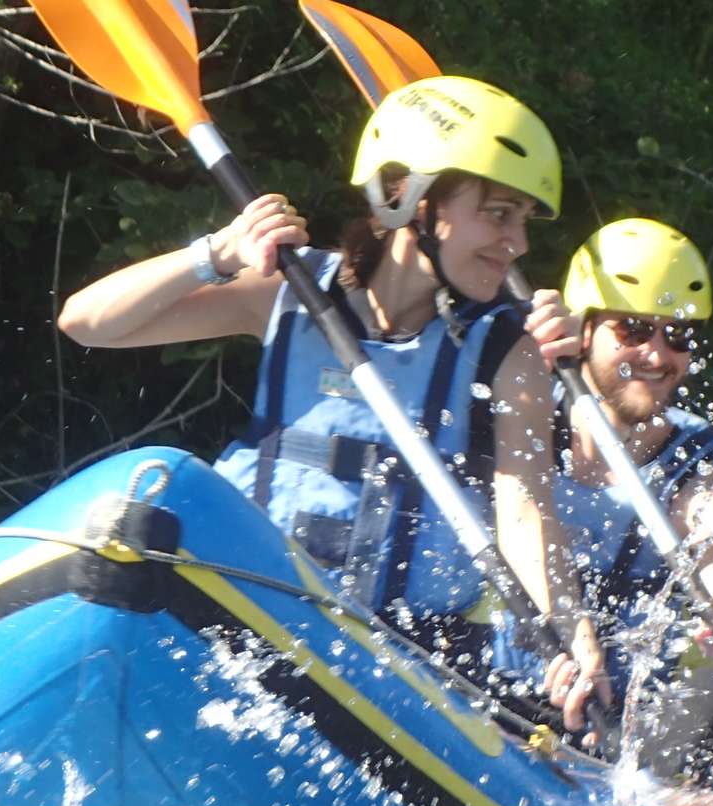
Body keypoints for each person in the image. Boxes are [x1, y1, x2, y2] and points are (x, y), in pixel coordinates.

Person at [55, 76, 610, 726]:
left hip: (391, 653)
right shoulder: (291, 289)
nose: (518, 243)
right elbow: (88, 323)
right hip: (243, 607)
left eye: (522, 219)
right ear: (412, 200)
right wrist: (219, 253)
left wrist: (571, 630)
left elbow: (524, 510)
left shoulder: (508, 347)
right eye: (498, 213)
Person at [484, 219, 713, 764]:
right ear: (584, 330)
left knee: (708, 664)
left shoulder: (700, 464)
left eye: (678, 335)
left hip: (619, 739)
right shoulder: (523, 418)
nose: (659, 356)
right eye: (635, 329)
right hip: (496, 701)